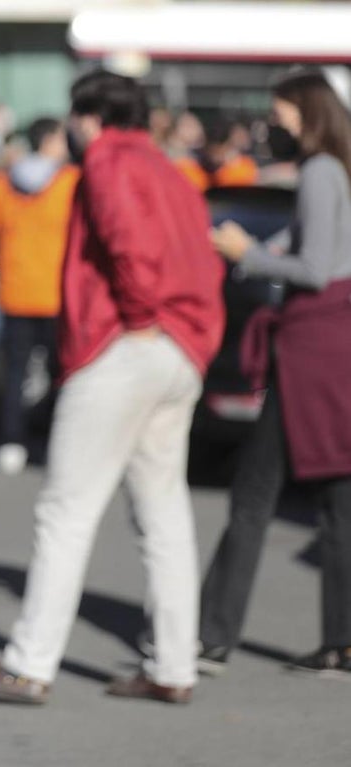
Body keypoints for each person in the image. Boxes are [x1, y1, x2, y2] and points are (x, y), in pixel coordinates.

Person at [0, 70, 225, 705]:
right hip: (181, 348)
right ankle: (173, 667)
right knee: (163, 512)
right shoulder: (171, 170)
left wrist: (138, 317)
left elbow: (129, 246)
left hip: (125, 345)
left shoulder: (106, 161)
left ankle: (28, 665)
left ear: (87, 118)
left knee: (66, 512)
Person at [202, 69, 351, 677]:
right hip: (334, 348)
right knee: (338, 497)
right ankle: (341, 643)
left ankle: (212, 635)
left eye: (280, 114)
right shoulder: (338, 169)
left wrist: (248, 254)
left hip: (310, 349)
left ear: (307, 114)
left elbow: (314, 267)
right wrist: (264, 248)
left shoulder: (320, 171)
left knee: (254, 495)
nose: (272, 126)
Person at [0, 117, 80, 475]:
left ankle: (11, 441)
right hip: (56, 294)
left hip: (15, 291)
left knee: (14, 373)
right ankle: (55, 444)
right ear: (50, 141)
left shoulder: (0, 181)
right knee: (62, 374)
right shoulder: (70, 181)